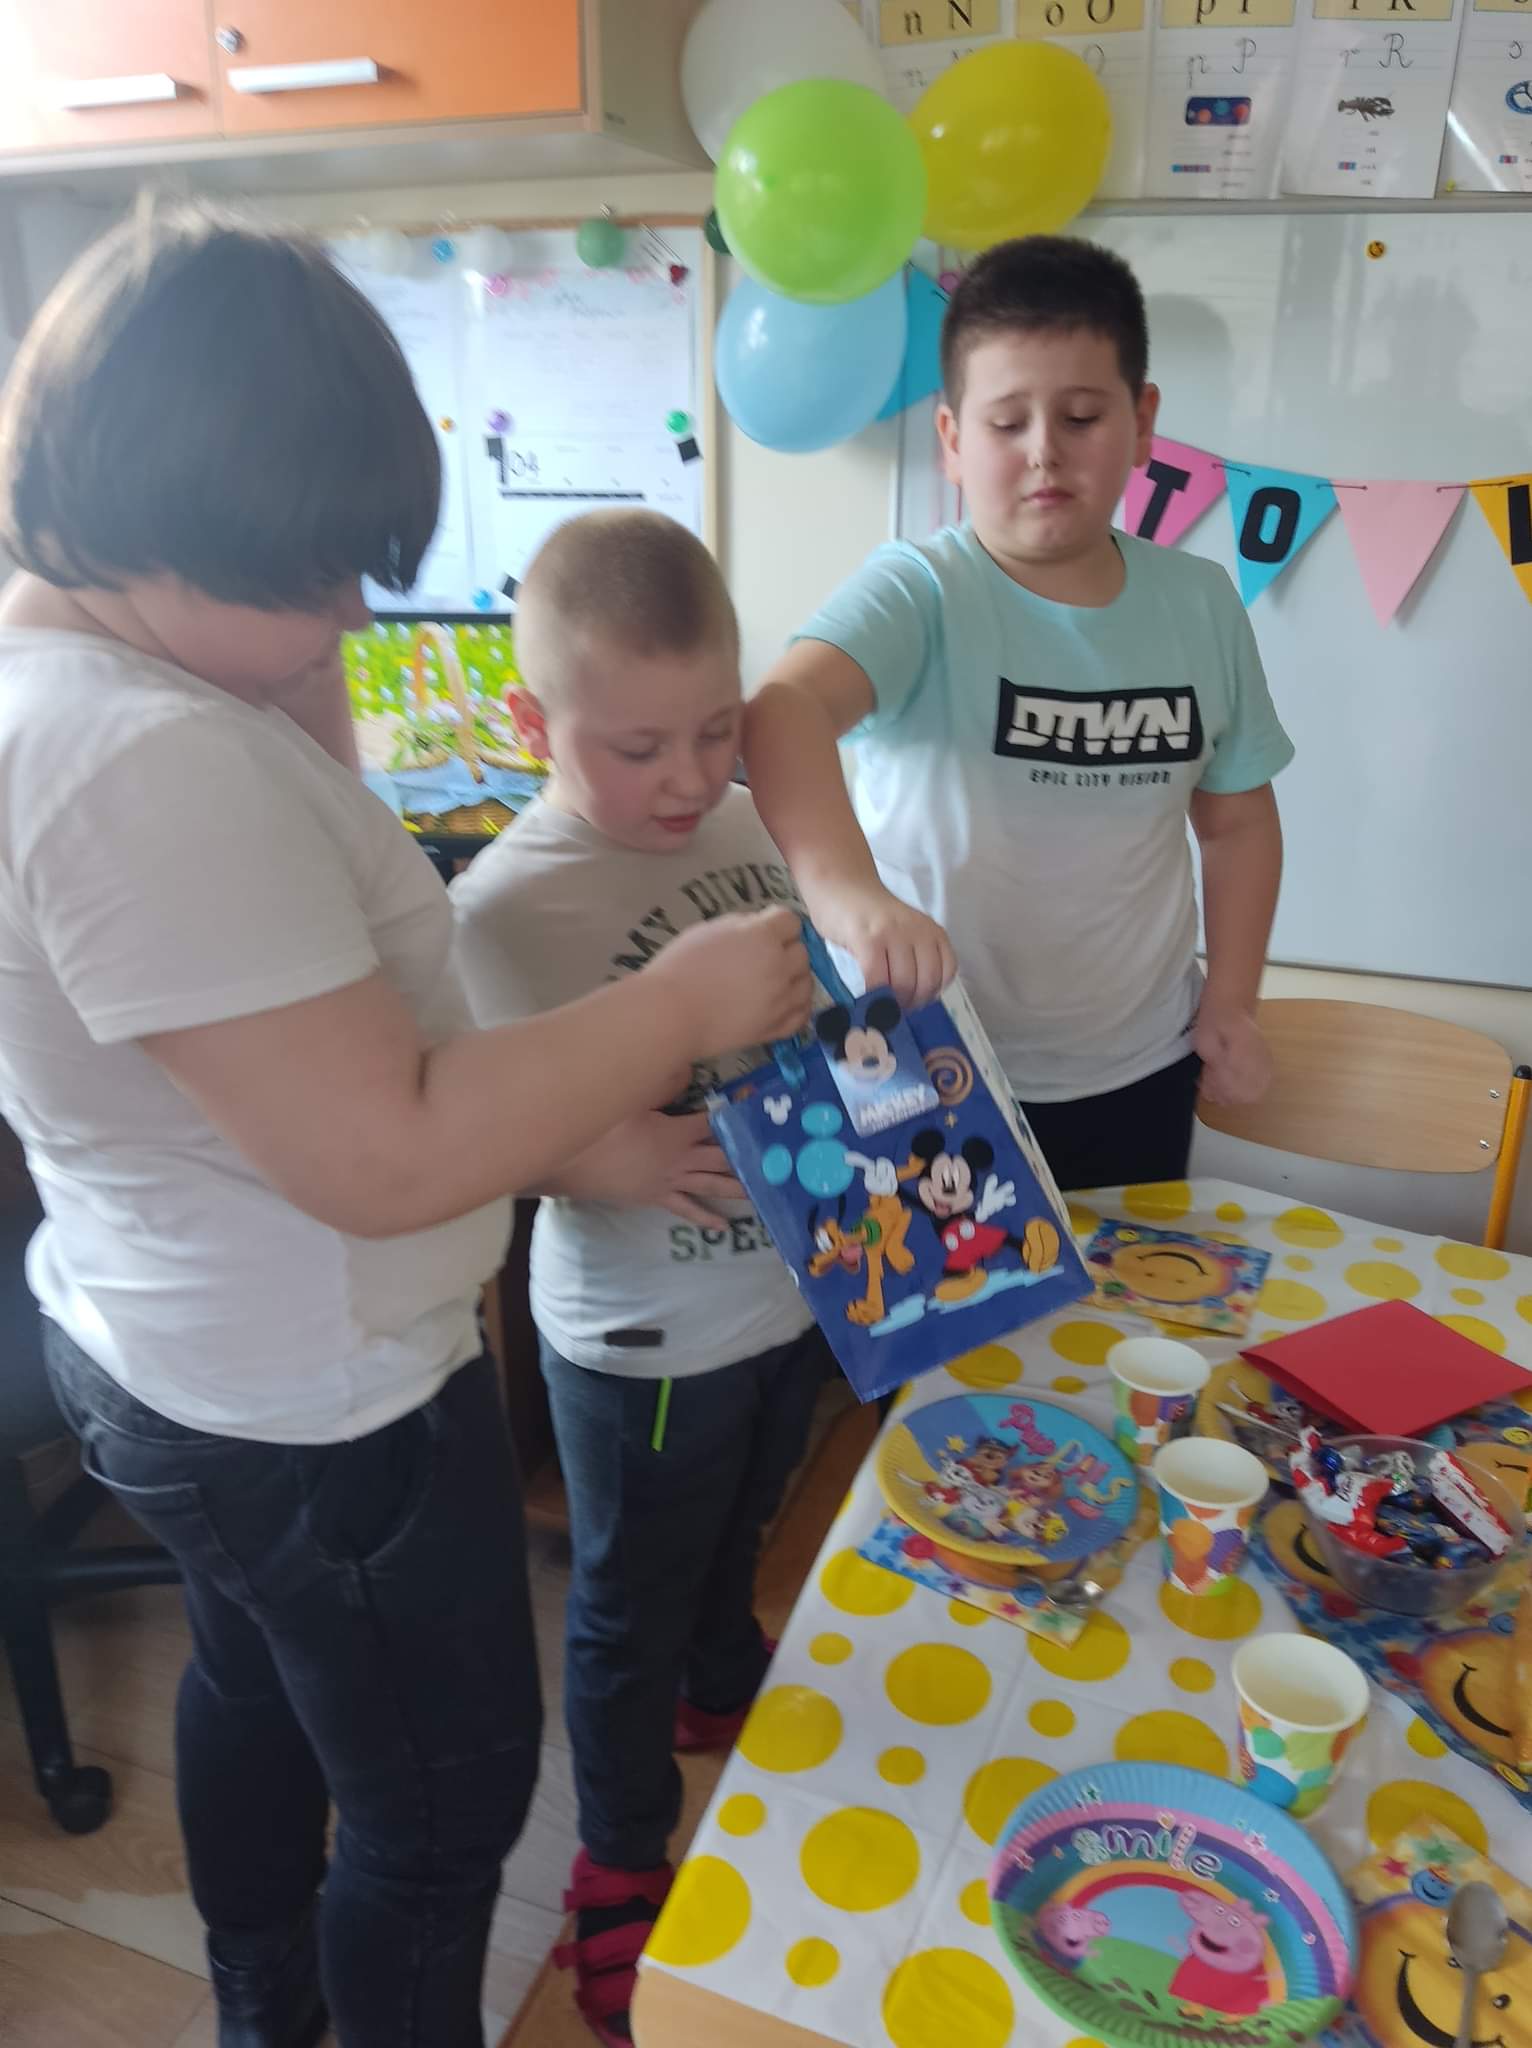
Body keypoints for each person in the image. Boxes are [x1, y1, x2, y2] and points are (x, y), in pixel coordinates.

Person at [0, 204, 810, 2048]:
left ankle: (263, 2007)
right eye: (323, 574)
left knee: (253, 1685)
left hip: (172, 1343)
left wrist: (290, 678)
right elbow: (384, 1152)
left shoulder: (99, 682)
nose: (356, 616)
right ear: (184, 529)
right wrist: (678, 1008)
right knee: (441, 1816)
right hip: (322, 1399)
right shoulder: (138, 758)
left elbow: (302, 910)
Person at [452, 510, 831, 2048]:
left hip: (788, 1297)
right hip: (643, 1338)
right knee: (626, 1599)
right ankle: (615, 1861)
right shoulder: (503, 907)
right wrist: (589, 1155)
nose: (687, 778)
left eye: (716, 730)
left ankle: (720, 1673)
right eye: (637, 747)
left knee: (747, 1522)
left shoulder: (747, 829)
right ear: (532, 723)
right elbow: (455, 1129)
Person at [743, 236, 1294, 1192]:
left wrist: (1234, 1001)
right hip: (921, 1061)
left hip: (1140, 1069)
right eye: (1006, 423)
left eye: (1081, 416)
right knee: (932, 1294)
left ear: (1142, 422)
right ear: (953, 440)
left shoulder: (1202, 603)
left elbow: (1238, 822)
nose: (1044, 450)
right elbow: (781, 713)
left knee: (1119, 1293)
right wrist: (850, 897)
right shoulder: (920, 591)